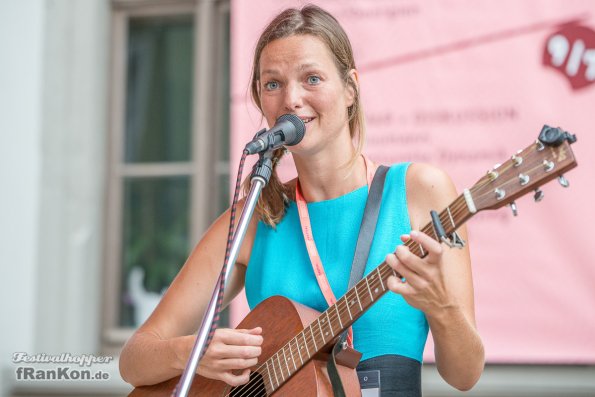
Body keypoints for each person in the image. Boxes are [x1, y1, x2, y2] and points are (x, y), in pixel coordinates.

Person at [119, 4, 485, 396]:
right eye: (272, 83)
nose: (292, 99)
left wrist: (441, 307)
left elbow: (464, 375)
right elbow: (134, 359)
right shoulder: (253, 219)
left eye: (311, 78)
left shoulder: (418, 190)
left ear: (350, 88)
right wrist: (189, 353)